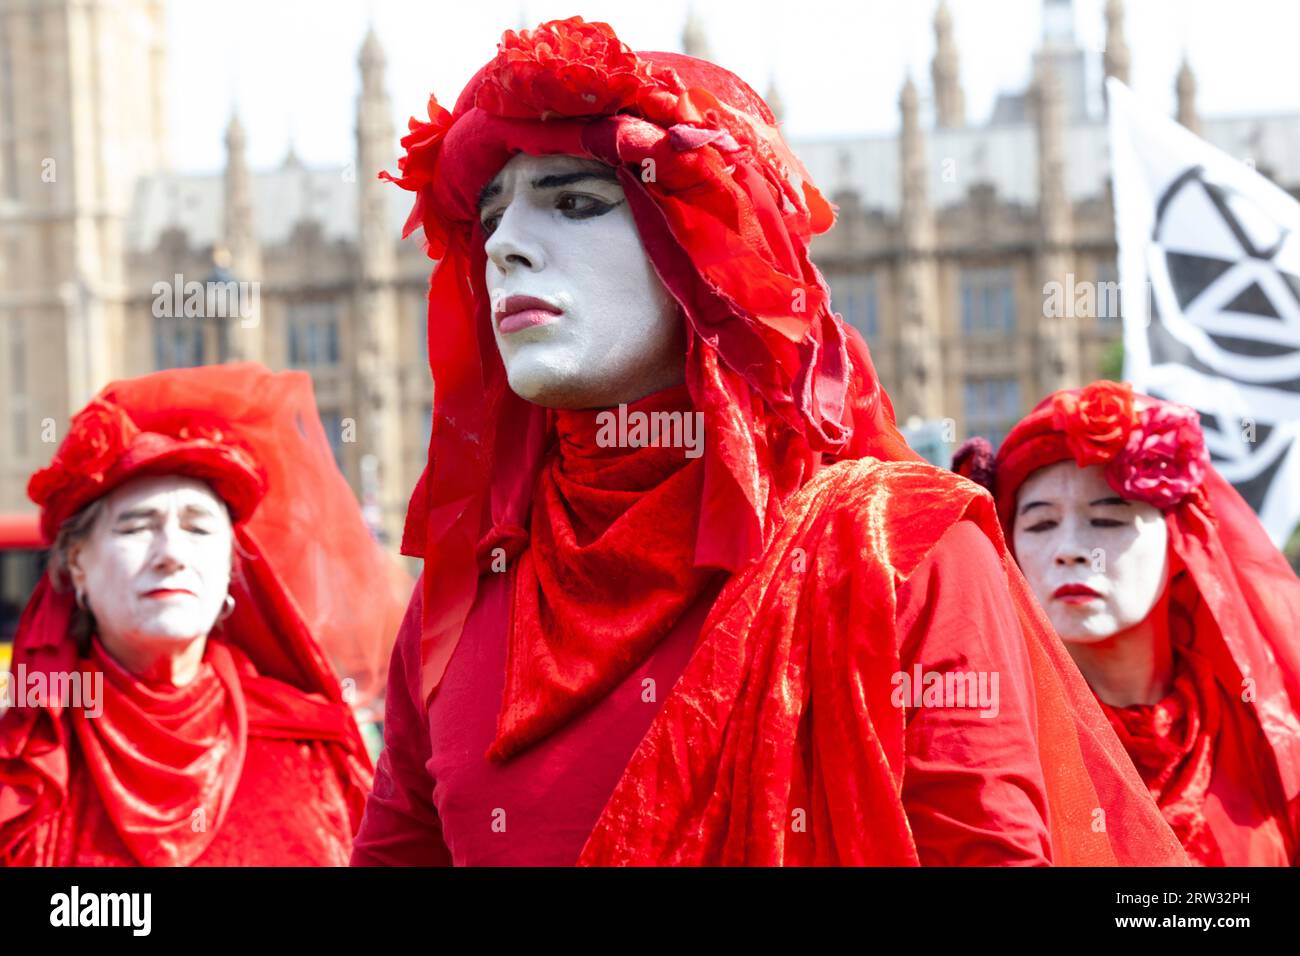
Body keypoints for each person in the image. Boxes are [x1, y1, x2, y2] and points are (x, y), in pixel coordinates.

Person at [351, 16, 1185, 866]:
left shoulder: (898, 554)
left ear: (711, 248)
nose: (506, 246)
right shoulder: (463, 596)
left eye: (575, 202)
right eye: (488, 214)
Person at [0, 363, 402, 866]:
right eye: (135, 527)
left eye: (198, 529)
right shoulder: (29, 766)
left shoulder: (315, 745)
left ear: (232, 565)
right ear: (77, 563)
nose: (171, 553)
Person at [954, 379, 1300, 865]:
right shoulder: (988, 740)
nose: (1071, 550)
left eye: (1108, 520)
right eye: (1040, 524)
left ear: (1180, 542)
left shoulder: (1265, 733)